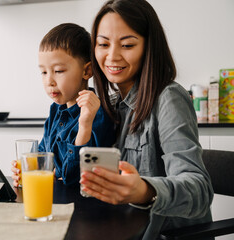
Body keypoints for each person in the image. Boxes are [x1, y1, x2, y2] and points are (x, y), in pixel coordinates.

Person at [79, 0, 214, 238]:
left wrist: (145, 190)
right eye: (102, 44)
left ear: (149, 47)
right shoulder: (108, 106)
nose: (112, 56)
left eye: (127, 45)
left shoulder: (168, 98)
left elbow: (199, 190)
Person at [11, 23, 116, 187]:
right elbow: (43, 158)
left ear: (87, 71)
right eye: (44, 72)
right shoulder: (56, 110)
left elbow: (77, 177)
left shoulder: (97, 113)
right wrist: (27, 169)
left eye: (58, 71)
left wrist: (85, 124)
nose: (49, 81)